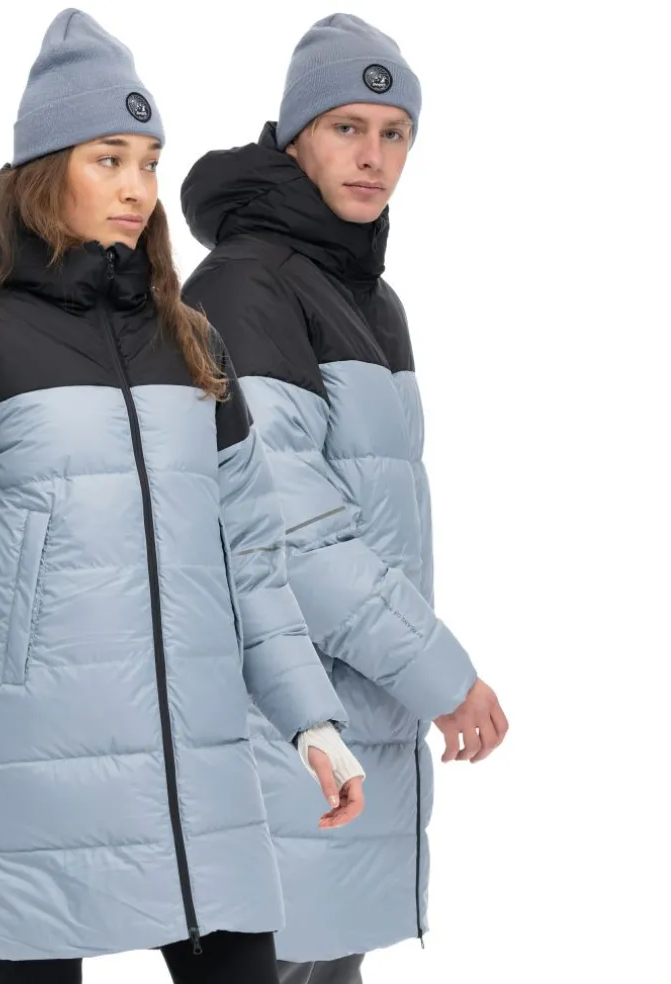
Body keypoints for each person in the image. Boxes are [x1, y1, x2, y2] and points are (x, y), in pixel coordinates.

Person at [0, 9, 368, 983]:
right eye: (109, 159)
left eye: (150, 163)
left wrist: (313, 721)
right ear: (46, 171)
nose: (136, 189)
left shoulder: (193, 345)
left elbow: (253, 561)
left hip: (200, 781)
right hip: (31, 777)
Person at [181, 13, 509, 984]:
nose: (373, 157)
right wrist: (442, 676)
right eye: (346, 128)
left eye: (394, 133)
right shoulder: (247, 288)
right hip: (276, 739)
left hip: (355, 744)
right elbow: (292, 538)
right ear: (295, 138)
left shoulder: (367, 296)